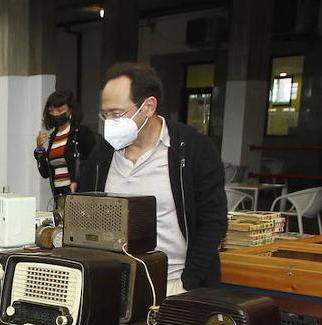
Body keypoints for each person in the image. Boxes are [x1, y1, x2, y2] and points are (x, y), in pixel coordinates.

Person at [78, 62, 226, 295]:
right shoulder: (102, 155)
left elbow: (213, 222)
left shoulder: (191, 151)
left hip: (174, 285)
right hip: (111, 287)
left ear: (148, 107)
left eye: (117, 114)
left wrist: (189, 281)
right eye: (105, 114)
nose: (109, 123)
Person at [34, 90, 96, 206]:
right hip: (58, 195)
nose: (56, 114)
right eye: (51, 111)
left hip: (77, 194)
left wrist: (77, 181)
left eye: (60, 110)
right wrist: (39, 149)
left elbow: (92, 164)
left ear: (70, 110)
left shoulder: (82, 133)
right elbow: (45, 172)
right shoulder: (53, 137)